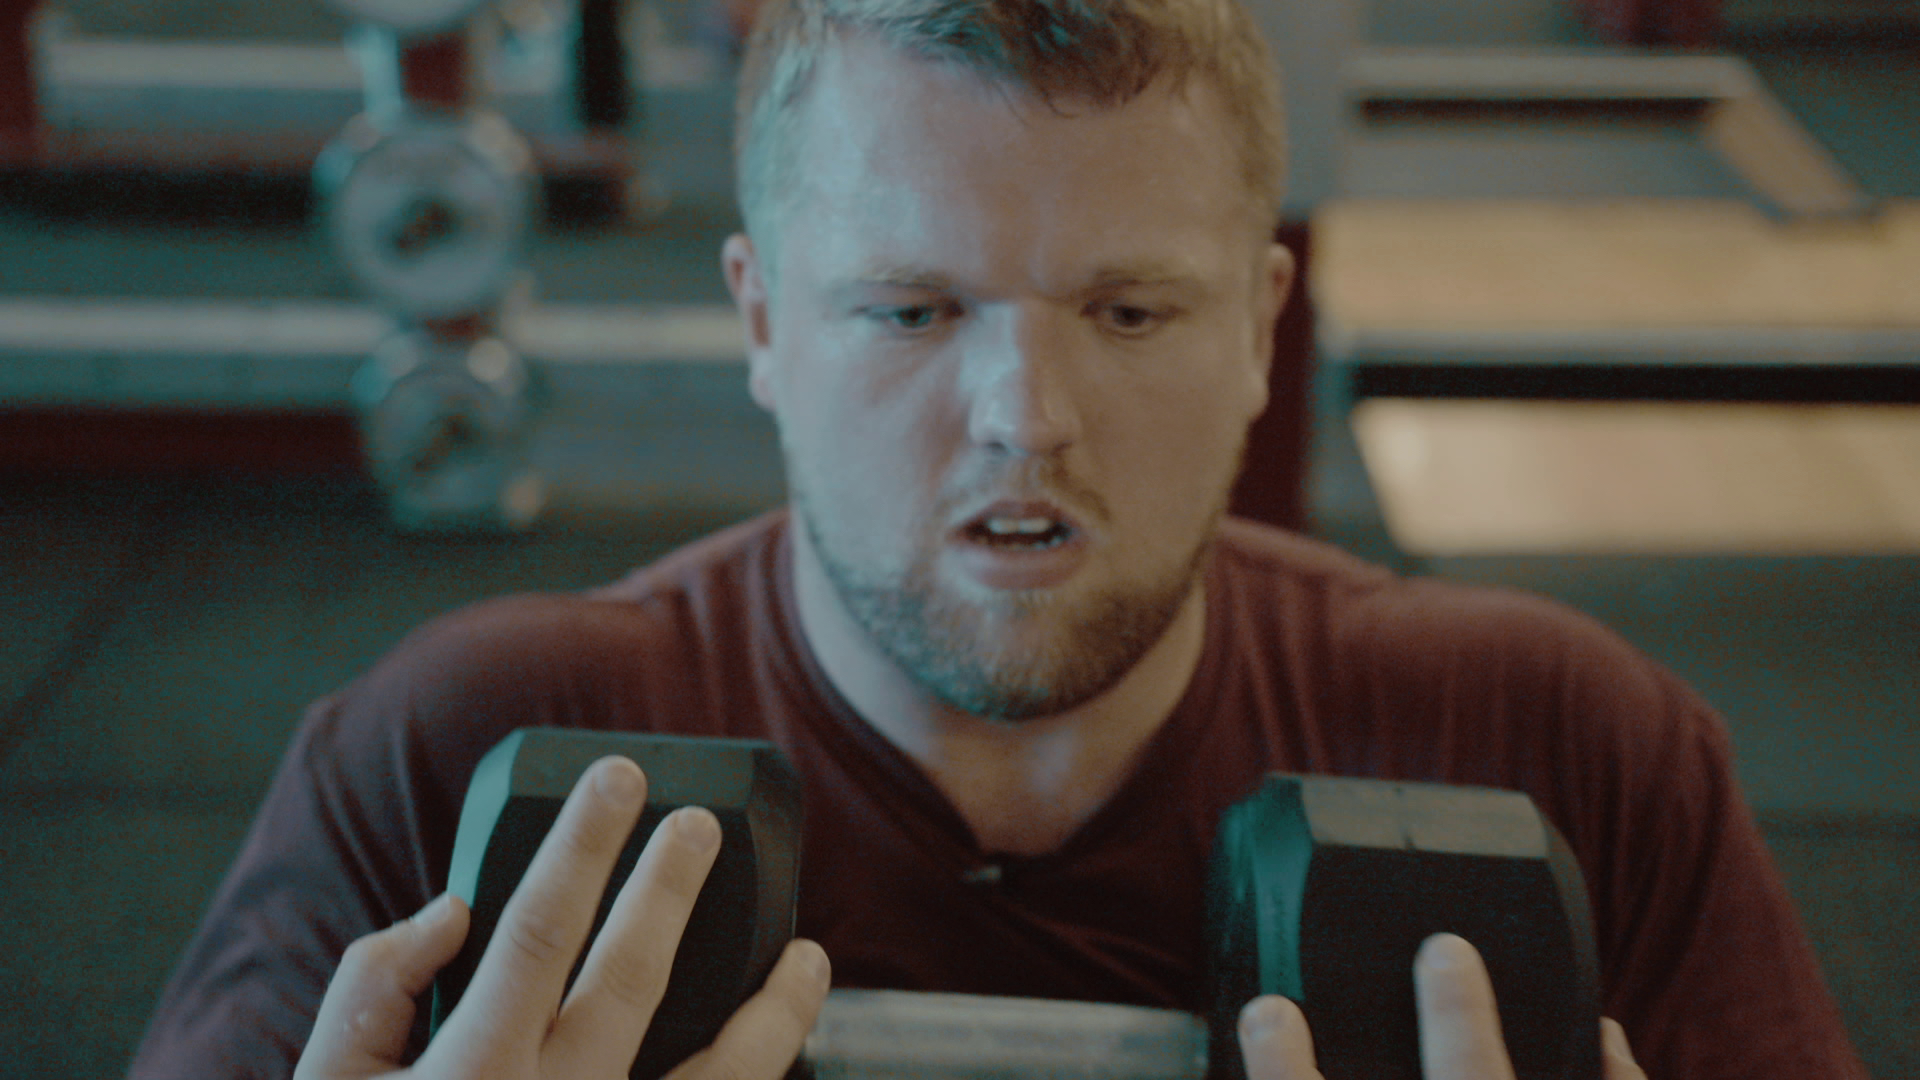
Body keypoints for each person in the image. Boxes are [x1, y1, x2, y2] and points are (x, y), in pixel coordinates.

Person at [130, 0, 1866, 1077]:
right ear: (761, 322)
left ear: (1263, 328)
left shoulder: (1563, 746)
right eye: (909, 311)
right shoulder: (451, 758)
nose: (1026, 417)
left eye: (1130, 312)